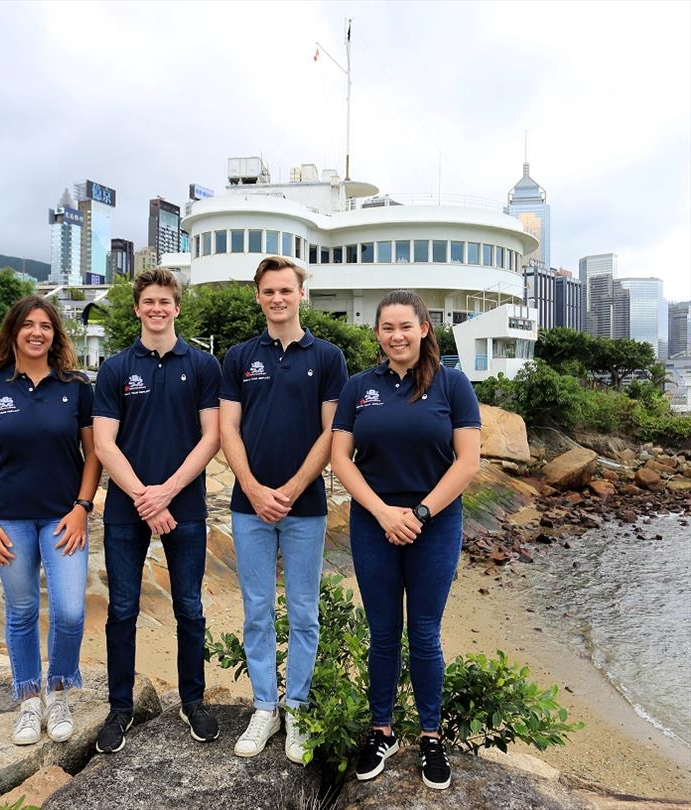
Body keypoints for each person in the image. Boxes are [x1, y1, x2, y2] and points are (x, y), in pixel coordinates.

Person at [331, 290, 481, 790]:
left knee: (424, 633)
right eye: (386, 328)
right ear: (377, 334)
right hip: (373, 523)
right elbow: (340, 459)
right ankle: (382, 730)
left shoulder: (452, 385)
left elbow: (468, 461)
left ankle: (431, 736)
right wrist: (382, 513)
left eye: (405, 327)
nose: (396, 336)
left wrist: (418, 513)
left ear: (424, 330)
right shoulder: (358, 387)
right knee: (382, 633)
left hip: (434, 524)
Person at [220, 256, 348, 763]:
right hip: (247, 505)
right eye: (269, 291)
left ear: (301, 294)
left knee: (302, 612)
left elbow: (332, 433)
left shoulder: (329, 357)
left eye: (286, 291)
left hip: (306, 506)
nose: (278, 298)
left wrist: (291, 489)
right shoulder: (239, 357)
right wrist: (252, 487)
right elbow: (227, 429)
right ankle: (264, 707)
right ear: (259, 296)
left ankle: (296, 709)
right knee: (255, 611)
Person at [92, 268, 222, 753]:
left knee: (189, 608)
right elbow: (105, 443)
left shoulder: (204, 366)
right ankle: (119, 709)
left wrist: (165, 492)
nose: (157, 308)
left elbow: (211, 436)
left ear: (177, 308)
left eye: (165, 301)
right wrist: (146, 499)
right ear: (137, 308)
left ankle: (194, 701)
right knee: (122, 610)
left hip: (184, 505)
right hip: (127, 510)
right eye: (148, 301)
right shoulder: (116, 368)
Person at [0, 295, 101, 745]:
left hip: (64, 519)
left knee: (70, 610)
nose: (37, 332)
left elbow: (92, 455)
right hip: (9, 520)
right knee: (22, 611)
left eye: (45, 325)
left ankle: (58, 690)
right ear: (14, 333)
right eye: (28, 325)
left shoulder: (77, 387)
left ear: (55, 334)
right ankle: (27, 699)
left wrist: (82, 508)